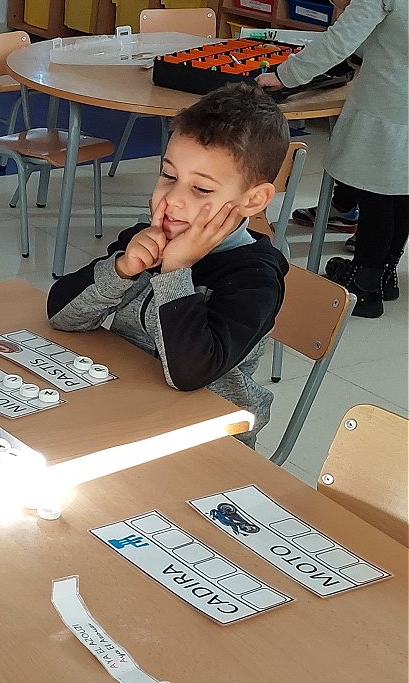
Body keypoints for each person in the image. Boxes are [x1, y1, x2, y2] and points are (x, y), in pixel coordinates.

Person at [47, 84, 289, 444]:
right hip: (124, 409)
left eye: (201, 189)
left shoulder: (255, 278)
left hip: (205, 439)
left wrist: (175, 273)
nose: (173, 199)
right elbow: (60, 316)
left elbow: (190, 374)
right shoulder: (145, 239)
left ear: (253, 201)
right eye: (169, 176)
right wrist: (121, 269)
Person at [259, 0, 408, 318]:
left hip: (384, 101)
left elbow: (339, 42)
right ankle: (384, 272)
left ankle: (365, 285)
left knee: (378, 193)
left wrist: (285, 76)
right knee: (401, 191)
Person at [288, 0, 383, 233]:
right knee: (351, 139)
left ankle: (374, 236)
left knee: (381, 160)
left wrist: (286, 76)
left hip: (387, 68)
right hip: (362, 58)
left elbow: (338, 41)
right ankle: (345, 207)